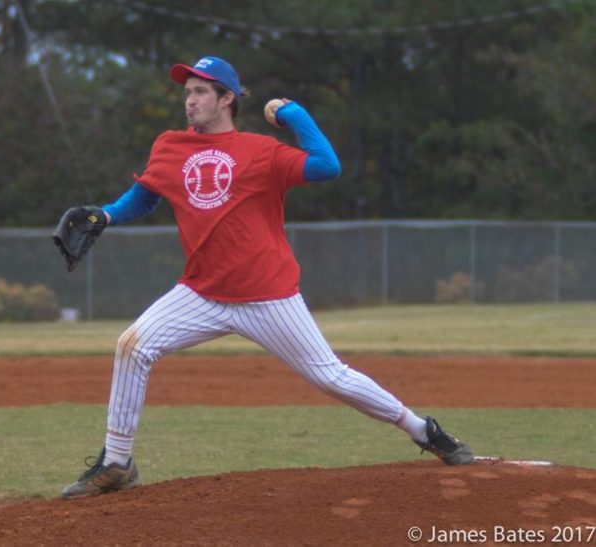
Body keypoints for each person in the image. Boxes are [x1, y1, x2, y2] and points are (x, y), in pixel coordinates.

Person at [61, 56, 473, 499]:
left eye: (201, 91)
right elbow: (146, 196)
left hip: (267, 296)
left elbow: (326, 165)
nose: (191, 100)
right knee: (132, 346)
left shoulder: (261, 151)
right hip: (201, 291)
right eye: (187, 92)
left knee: (330, 377)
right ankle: (118, 463)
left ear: (227, 99)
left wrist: (294, 114)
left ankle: (424, 431)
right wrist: (107, 214)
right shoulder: (170, 146)